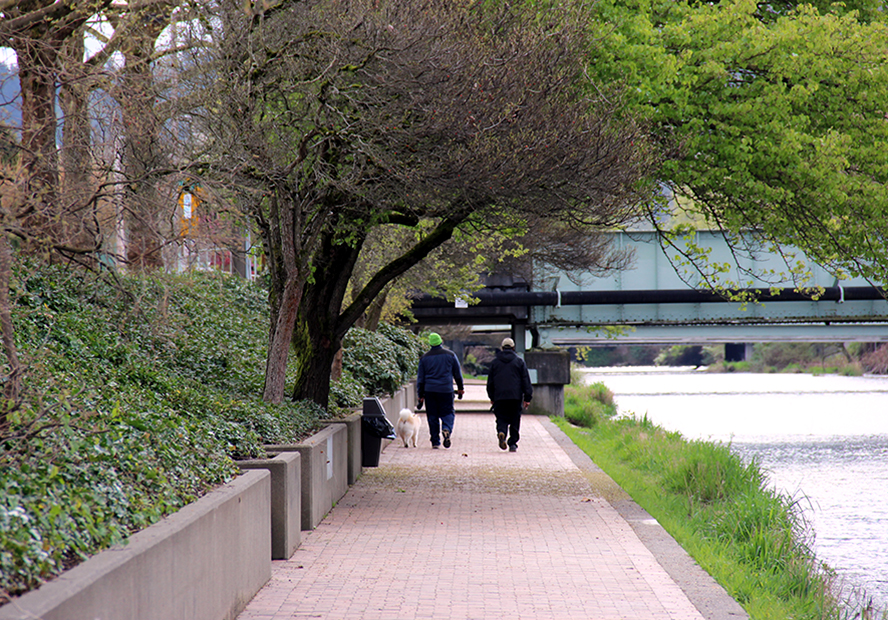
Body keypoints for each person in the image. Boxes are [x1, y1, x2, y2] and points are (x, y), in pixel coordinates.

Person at [416, 332, 464, 449]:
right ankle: (446, 428)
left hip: (430, 390)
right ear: (441, 342)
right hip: (446, 390)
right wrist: (460, 388)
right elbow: (457, 374)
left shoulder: (424, 358)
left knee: (432, 416)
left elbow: (420, 379)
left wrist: (420, 394)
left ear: (430, 344)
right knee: (448, 412)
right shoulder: (451, 355)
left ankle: (435, 441)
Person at [486, 337, 533, 452]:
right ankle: (512, 443)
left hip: (499, 396)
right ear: (513, 348)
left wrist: (492, 397)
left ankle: (502, 431)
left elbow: (490, 382)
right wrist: (527, 397)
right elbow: (525, 380)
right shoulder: (519, 362)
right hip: (515, 396)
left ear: (502, 348)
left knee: (501, 417)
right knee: (515, 419)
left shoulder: (495, 362)